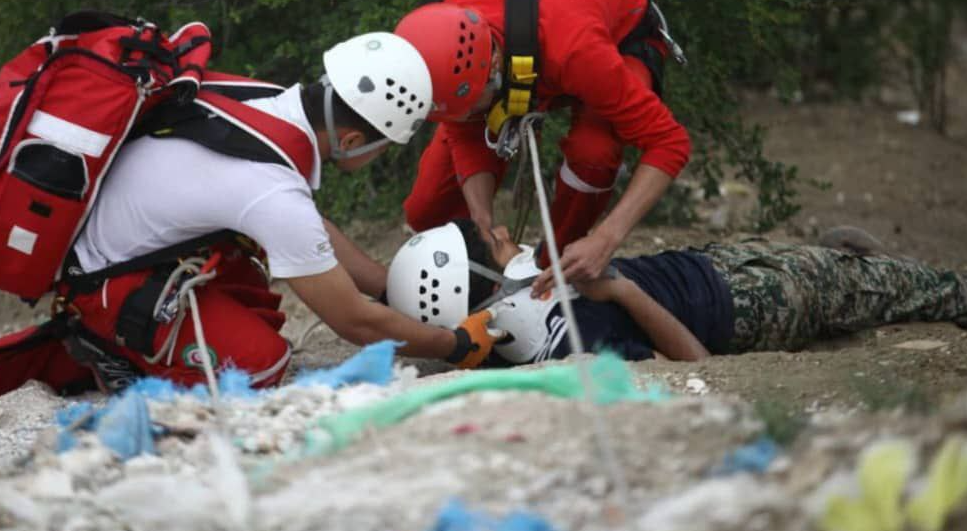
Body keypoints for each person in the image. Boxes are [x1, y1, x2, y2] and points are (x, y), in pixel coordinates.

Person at [0, 32, 500, 405]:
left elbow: (309, 232)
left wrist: (383, 282)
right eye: (383, 146)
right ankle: (109, 350)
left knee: (257, 303)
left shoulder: (263, 99)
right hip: (100, 279)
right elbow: (356, 324)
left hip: (114, 244)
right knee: (261, 364)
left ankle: (122, 334)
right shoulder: (271, 189)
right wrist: (451, 344)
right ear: (351, 139)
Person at [393, 0, 692, 296]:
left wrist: (605, 238)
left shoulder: (576, 51)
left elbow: (670, 143)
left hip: (618, 34)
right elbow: (463, 130)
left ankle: (553, 268)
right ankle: (472, 282)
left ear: (491, 69)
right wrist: (481, 223)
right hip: (532, 42)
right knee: (426, 211)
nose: (470, 118)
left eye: (474, 107)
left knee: (592, 153)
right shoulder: (437, 40)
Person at [385, 221, 967, 365]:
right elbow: (698, 364)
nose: (496, 239)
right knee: (915, 289)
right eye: (480, 249)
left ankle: (847, 268)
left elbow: (513, 259)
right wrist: (621, 293)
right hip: (749, 305)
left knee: (833, 266)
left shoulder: (505, 317)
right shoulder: (566, 342)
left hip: (711, 267)